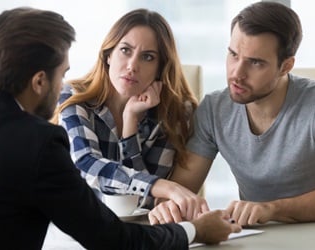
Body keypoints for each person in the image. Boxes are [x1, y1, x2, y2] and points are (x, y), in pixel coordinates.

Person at [0, 7, 240, 250]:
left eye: (147, 57)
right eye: (62, 73)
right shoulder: (39, 142)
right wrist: (196, 231)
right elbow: (112, 240)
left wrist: (129, 130)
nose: (63, 84)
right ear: (40, 82)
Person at [149, 1, 315, 226]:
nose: (237, 73)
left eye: (255, 63)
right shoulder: (214, 109)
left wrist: (271, 209)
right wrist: (169, 205)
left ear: (286, 66)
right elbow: (180, 188)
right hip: (257, 238)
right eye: (233, 55)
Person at [53, 8, 208, 220]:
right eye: (125, 50)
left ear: (160, 68)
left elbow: (145, 203)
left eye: (147, 57)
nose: (132, 66)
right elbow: (86, 165)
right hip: (78, 229)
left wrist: (130, 125)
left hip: (140, 230)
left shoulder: (175, 114)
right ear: (108, 55)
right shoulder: (73, 97)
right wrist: (161, 186)